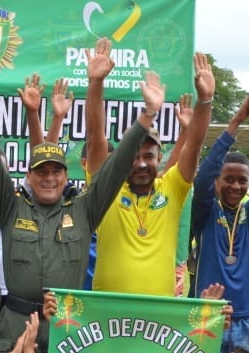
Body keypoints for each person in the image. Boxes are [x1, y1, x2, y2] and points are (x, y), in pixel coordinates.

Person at [0, 62, 165, 351]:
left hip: (64, 325)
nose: (49, 178)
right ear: (29, 176)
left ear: (67, 176)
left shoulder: (84, 208)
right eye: (41, 172)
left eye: (56, 171)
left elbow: (117, 166)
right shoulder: (10, 205)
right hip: (17, 323)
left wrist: (148, 115)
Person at [85, 46, 214, 297]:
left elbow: (194, 144)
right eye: (133, 157)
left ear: (159, 157)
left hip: (157, 321)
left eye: (148, 156)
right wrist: (96, 82)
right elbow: (94, 138)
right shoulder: (105, 192)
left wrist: (205, 100)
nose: (142, 164)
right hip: (106, 318)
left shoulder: (172, 188)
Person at [190, 78, 249, 353]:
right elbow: (203, 175)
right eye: (229, 179)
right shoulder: (204, 210)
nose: (236, 186)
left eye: (242, 181)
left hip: (245, 314)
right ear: (217, 181)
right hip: (207, 310)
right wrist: (235, 122)